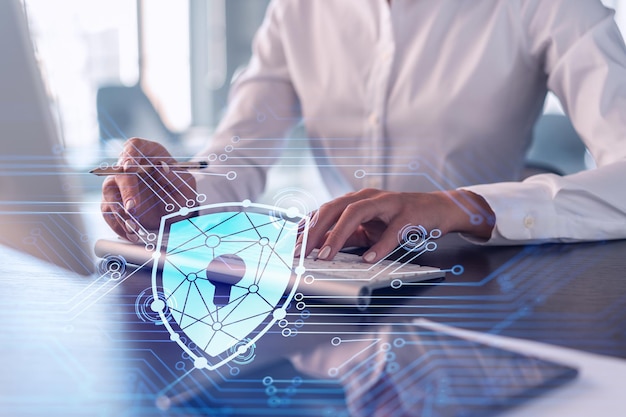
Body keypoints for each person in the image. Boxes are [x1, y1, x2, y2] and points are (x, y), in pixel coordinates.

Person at [101, 0, 626, 264]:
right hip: (343, 282)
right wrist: (178, 196)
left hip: (492, 279)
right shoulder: (298, 10)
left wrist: (460, 205)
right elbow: (239, 153)